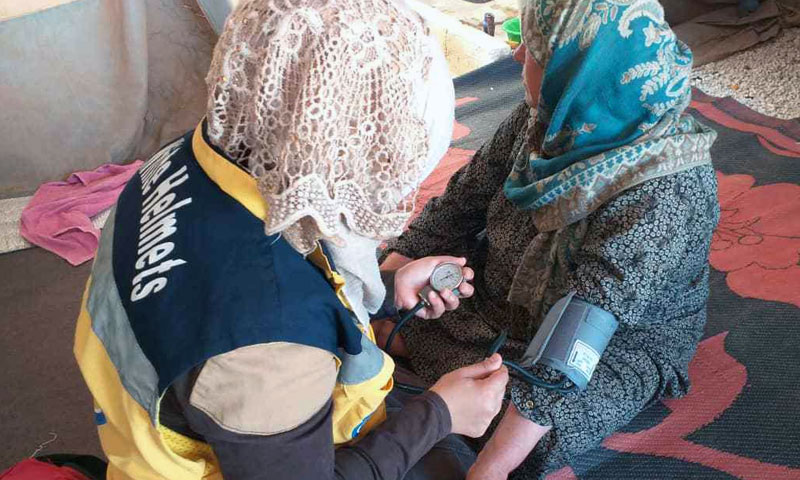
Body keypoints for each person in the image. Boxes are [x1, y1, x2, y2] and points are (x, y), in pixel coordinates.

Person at [72, 0, 508, 479]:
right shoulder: (268, 349)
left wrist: (386, 286)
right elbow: (265, 322)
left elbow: (263, 270)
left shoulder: (188, 157)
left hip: (154, 431)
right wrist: (440, 415)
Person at [377, 0, 720, 478]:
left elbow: (580, 335)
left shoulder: (667, 190)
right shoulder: (546, 118)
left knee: (535, 429)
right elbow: (461, 203)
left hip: (615, 340)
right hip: (499, 292)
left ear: (581, 72)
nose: (516, 57)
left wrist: (488, 471)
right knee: (394, 295)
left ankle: (435, 365)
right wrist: (388, 283)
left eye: (534, 50)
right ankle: (429, 354)